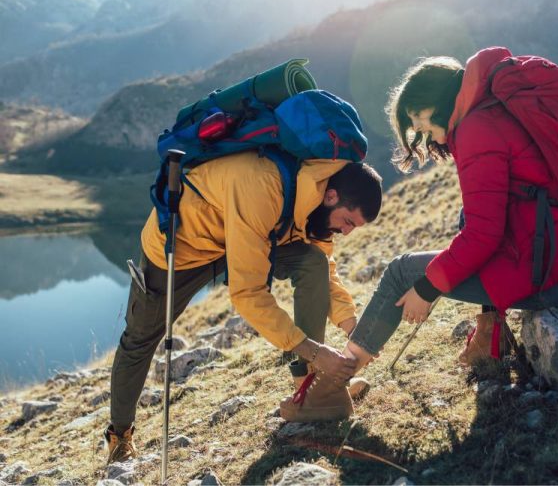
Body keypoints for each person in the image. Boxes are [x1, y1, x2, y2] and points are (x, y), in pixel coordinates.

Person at [280, 47, 558, 422]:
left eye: (418, 119)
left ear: (437, 101)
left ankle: (328, 390)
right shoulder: (493, 108)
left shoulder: (476, 129)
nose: (421, 131)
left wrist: (427, 288)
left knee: (402, 273)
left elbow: (484, 236)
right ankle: (491, 339)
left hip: (547, 274)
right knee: (462, 217)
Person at [105, 151, 383, 462]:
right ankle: (120, 435)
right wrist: (315, 350)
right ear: (332, 196)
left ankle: (310, 390)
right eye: (348, 221)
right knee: (140, 338)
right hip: (184, 245)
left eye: (353, 228)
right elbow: (247, 293)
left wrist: (352, 327)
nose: (346, 232)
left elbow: (324, 268)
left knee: (312, 262)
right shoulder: (263, 187)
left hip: (245, 235)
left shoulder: (312, 201)